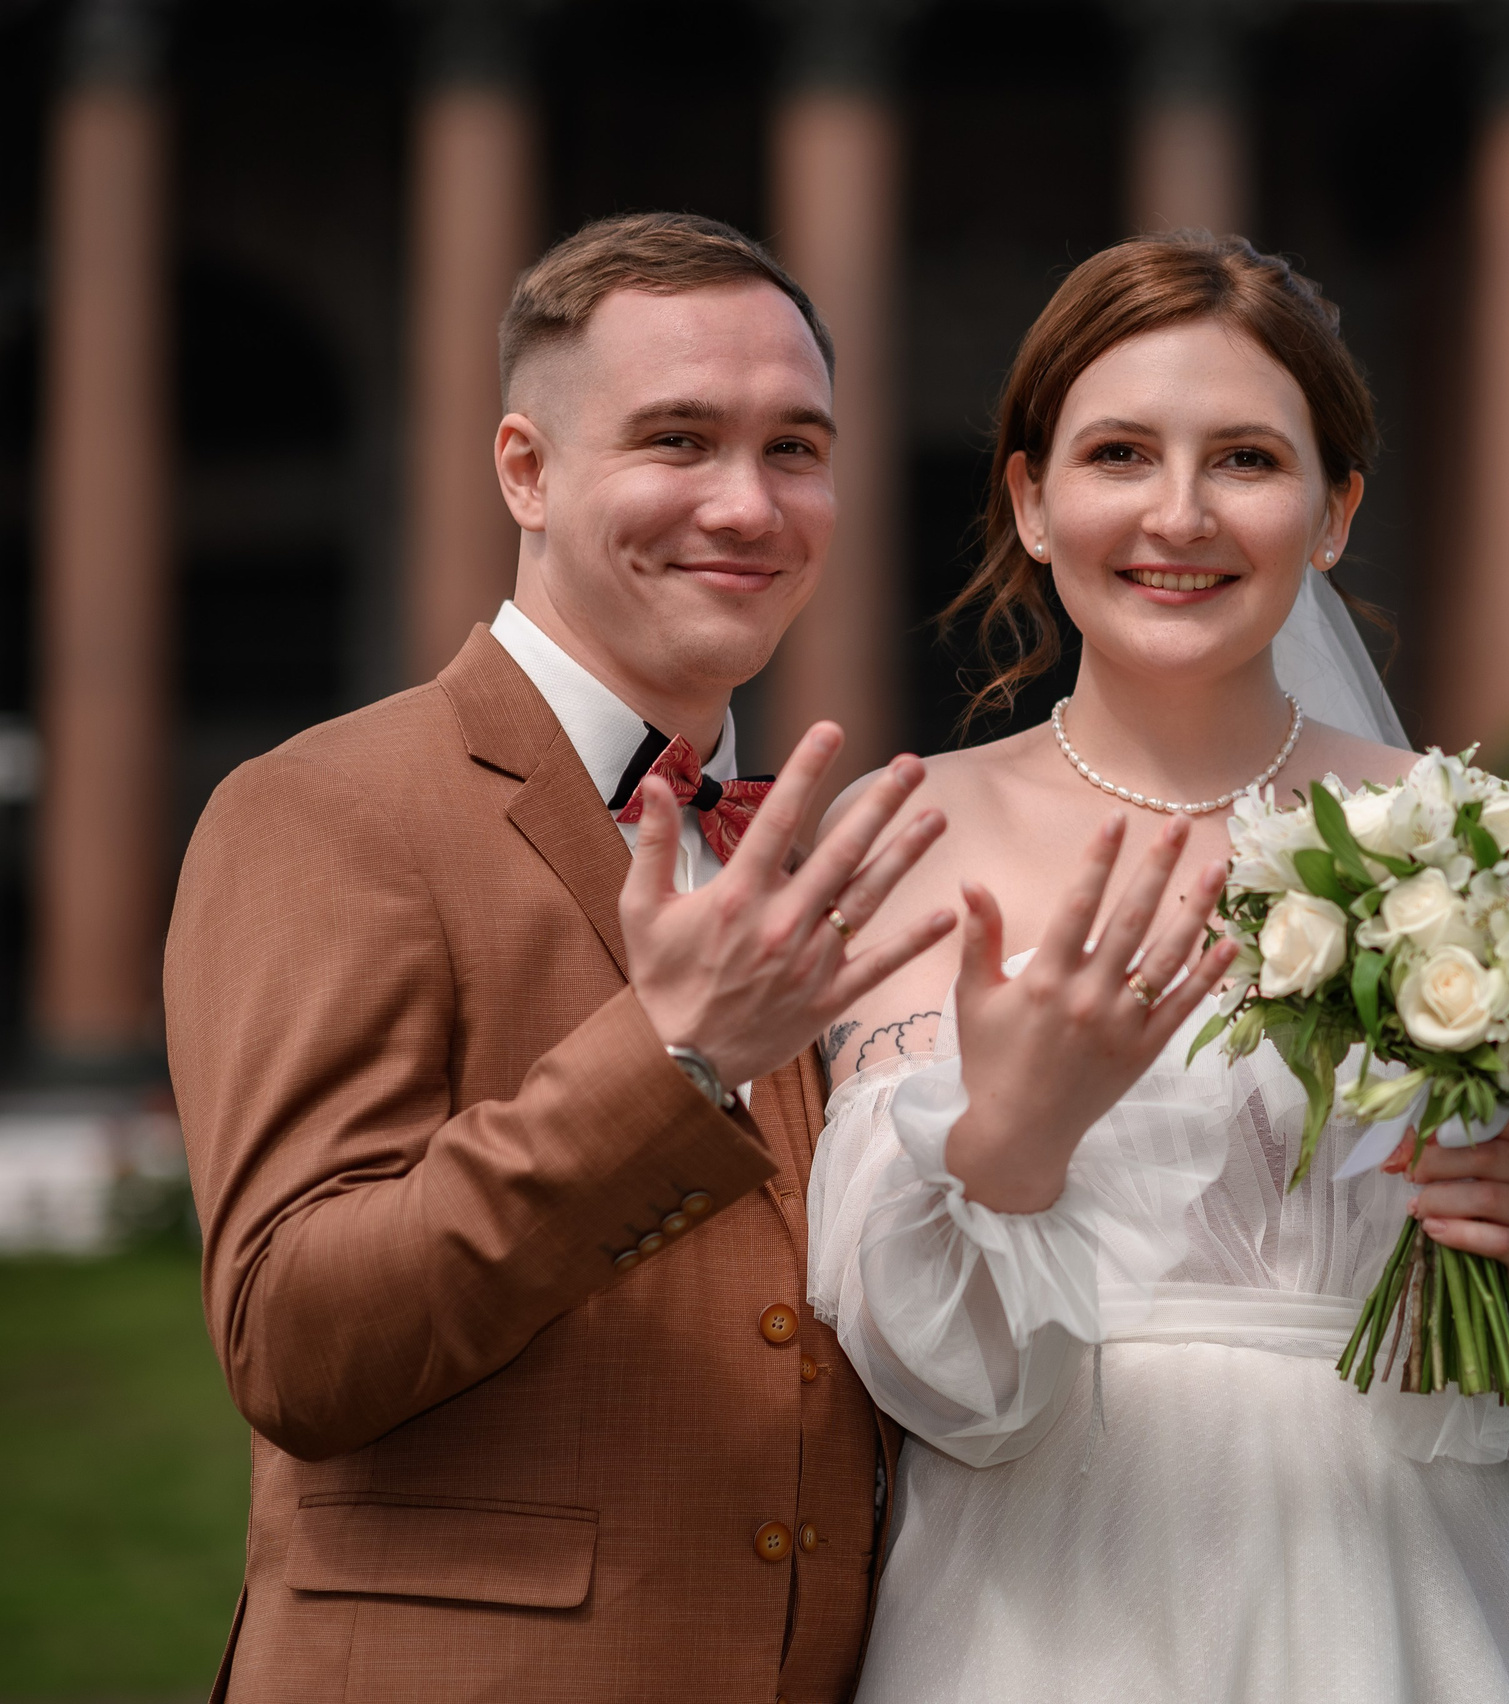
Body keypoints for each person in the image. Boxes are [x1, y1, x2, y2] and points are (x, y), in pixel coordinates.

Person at [804, 236, 1509, 1704]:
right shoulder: (896, 843)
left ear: (1333, 513)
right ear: (1031, 499)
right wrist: (1011, 1144)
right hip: (1042, 1613)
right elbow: (925, 1383)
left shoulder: (1486, 850)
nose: (1179, 515)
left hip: (1418, 1603)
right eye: (1120, 453)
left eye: (1246, 458)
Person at [166, 214, 951, 1701]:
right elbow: (298, 1343)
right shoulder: (324, 809)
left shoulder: (798, 842)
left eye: (796, 448)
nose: (747, 503)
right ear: (525, 468)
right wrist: (671, 1061)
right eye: (678, 439)